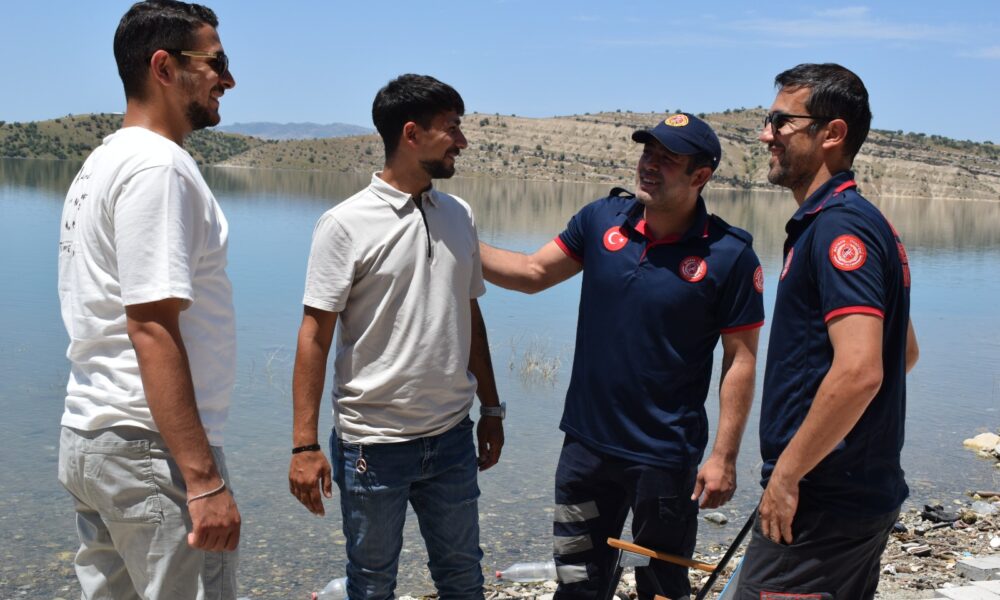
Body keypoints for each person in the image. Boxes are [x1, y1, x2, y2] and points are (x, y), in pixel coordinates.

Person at [480, 113, 764, 599]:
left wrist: (724, 456)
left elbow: (740, 359)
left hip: (665, 459)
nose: (649, 165)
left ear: (700, 175)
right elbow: (532, 272)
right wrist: (454, 238)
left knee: (661, 585)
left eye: (667, 159)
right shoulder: (601, 220)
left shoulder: (729, 254)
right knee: (576, 581)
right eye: (647, 152)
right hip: (584, 451)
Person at [287, 73, 504, 599]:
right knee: (371, 584)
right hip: (372, 446)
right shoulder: (344, 224)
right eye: (451, 128)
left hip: (451, 437)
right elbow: (314, 336)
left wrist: (492, 409)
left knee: (463, 578)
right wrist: (304, 445)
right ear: (411, 134)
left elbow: (470, 317)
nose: (462, 141)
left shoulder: (459, 215)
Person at [56, 1, 240, 598]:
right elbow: (151, 326)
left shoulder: (102, 162)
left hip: (92, 436)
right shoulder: (158, 167)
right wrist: (203, 479)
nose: (229, 80)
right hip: (148, 447)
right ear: (164, 67)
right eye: (216, 63)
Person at [734, 63, 920, 600]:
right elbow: (903, 351)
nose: (766, 134)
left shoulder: (840, 226)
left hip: (822, 505)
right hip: (849, 496)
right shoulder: (853, 220)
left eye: (780, 121)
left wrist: (788, 475)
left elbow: (862, 370)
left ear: (832, 133)